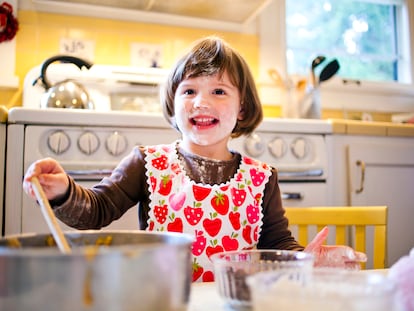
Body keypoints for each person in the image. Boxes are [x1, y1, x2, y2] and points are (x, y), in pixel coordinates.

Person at [23, 36, 366, 282]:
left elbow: (277, 245)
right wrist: (64, 191)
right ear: (174, 103)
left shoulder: (262, 179)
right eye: (189, 91)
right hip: (167, 302)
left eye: (218, 91)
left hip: (236, 304)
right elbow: (96, 209)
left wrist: (307, 260)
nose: (201, 102)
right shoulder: (146, 164)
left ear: (242, 107)